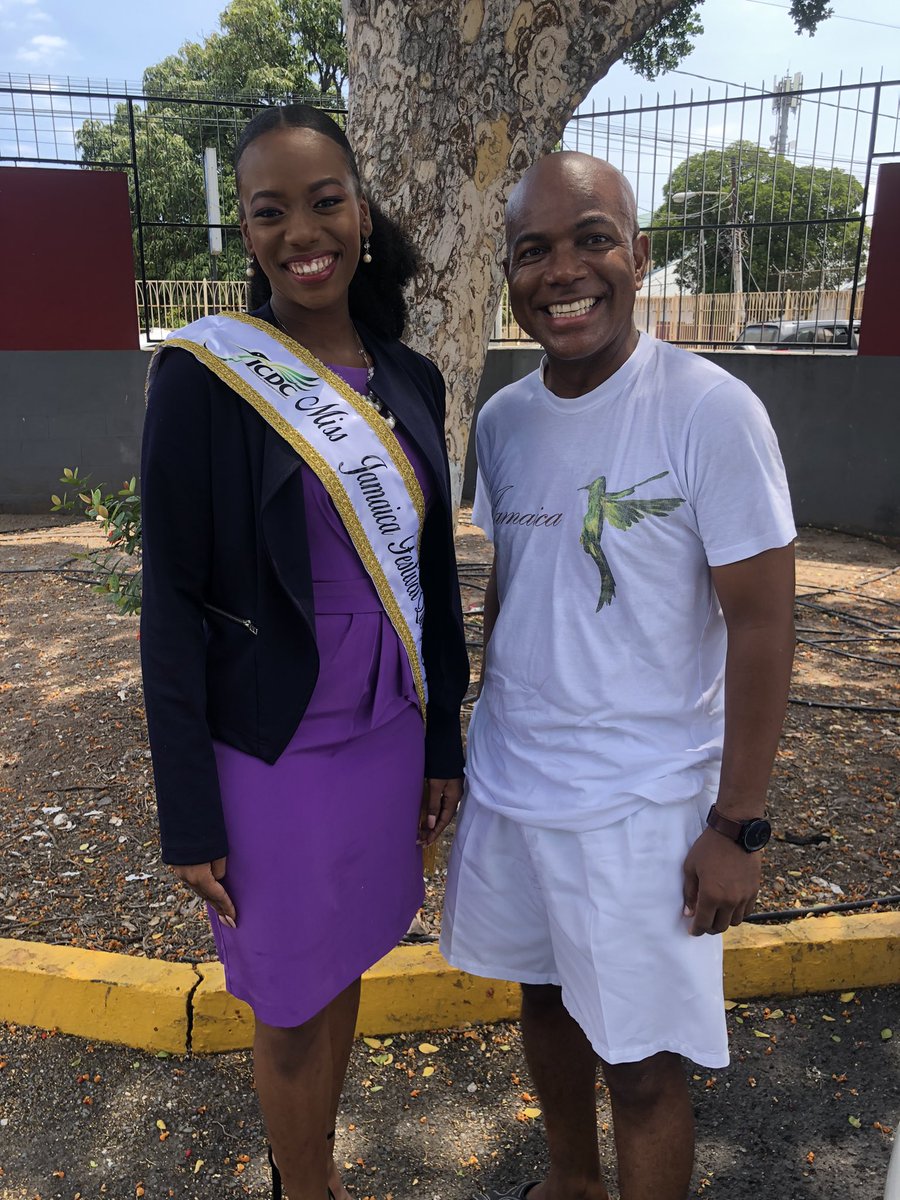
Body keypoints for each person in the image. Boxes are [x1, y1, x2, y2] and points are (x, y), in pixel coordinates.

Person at [440, 152, 796, 1200]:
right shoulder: (503, 421)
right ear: (509, 275)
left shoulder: (708, 410)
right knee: (543, 1003)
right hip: (515, 788)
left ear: (638, 257)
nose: (566, 271)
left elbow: (766, 625)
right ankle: (568, 1185)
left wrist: (738, 825)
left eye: (592, 239)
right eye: (534, 251)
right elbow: (519, 581)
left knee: (642, 1071)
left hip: (644, 808)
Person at [140, 104, 469, 1200]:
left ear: (361, 212)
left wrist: (443, 747)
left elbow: (429, 581)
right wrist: (187, 811)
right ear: (246, 233)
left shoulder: (411, 380)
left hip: (387, 733)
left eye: (323, 200)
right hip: (269, 755)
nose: (301, 230)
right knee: (284, 1007)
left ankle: (303, 1171)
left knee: (347, 963)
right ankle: (310, 1187)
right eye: (269, 211)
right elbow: (170, 603)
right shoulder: (204, 378)